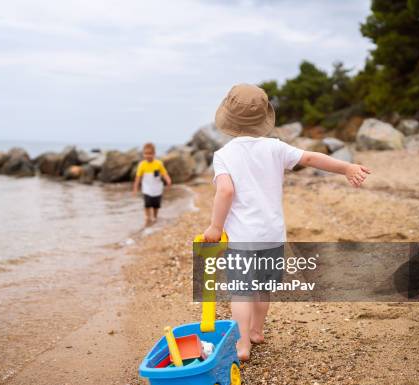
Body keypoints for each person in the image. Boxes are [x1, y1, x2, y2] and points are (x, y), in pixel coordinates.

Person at [201, 84, 370, 361]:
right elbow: (312, 158)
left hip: (243, 237)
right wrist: (346, 168)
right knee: (263, 288)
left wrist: (215, 227)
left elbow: (226, 191)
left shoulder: (224, 155)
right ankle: (257, 331)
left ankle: (242, 345)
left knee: (241, 291)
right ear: (264, 119)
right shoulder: (275, 148)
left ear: (228, 120)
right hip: (272, 234)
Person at [133, 143, 172, 225]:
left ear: (154, 154)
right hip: (146, 188)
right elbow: (138, 177)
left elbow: (164, 173)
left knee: (156, 205)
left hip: (157, 188)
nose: (148, 155)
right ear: (143, 154)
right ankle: (147, 216)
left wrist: (168, 180)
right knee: (147, 204)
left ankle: (155, 216)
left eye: (150, 153)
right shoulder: (142, 165)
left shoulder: (158, 163)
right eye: (146, 153)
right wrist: (135, 187)